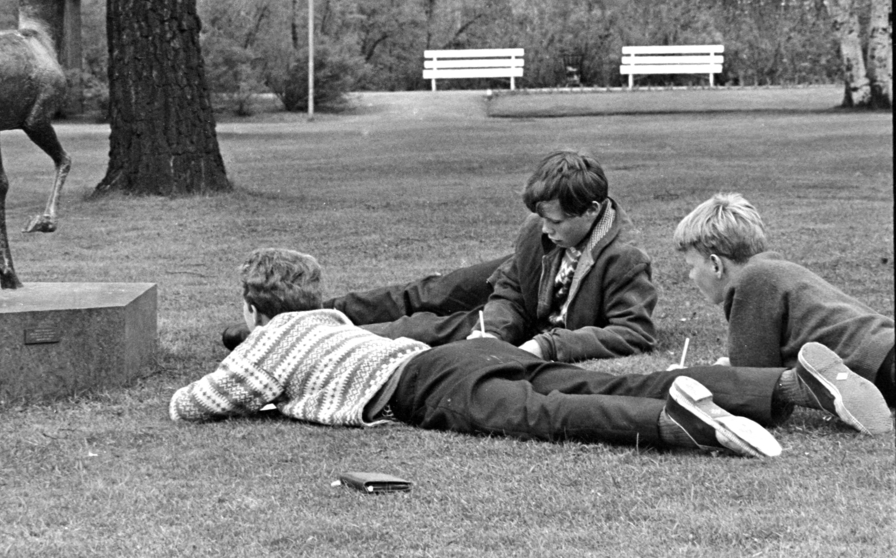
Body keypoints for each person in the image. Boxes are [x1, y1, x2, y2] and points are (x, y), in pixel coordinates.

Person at [175, 249, 892, 455]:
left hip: (425, 388)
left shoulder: (265, 344)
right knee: (598, 377)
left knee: (546, 413)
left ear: (252, 309)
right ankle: (783, 386)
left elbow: (195, 403)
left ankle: (675, 423)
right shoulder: (330, 321)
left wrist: (251, 373)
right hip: (469, 354)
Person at [223, 151, 657, 363]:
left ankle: (291, 337)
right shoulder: (537, 233)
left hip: (532, 322)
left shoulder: (625, 260)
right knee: (430, 291)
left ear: (593, 211)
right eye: (541, 220)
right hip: (517, 297)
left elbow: (634, 333)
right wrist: (495, 328)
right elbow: (507, 291)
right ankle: (304, 313)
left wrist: (544, 344)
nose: (545, 230)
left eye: (556, 223)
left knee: (420, 329)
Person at [674, 193, 896, 408]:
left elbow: (751, 384)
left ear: (715, 265)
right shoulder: (774, 270)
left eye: (691, 266)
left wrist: (689, 379)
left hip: (884, 363)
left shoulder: (749, 282)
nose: (691, 276)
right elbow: (760, 365)